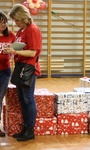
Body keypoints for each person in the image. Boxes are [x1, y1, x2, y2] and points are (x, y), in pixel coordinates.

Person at [4, 4, 42, 141]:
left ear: (24, 17)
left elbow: (33, 52)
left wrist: (15, 51)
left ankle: (30, 130)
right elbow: (20, 46)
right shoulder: (21, 31)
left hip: (29, 68)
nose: (16, 23)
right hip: (21, 67)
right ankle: (25, 128)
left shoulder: (33, 30)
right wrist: (12, 49)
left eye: (18, 20)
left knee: (28, 99)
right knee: (22, 99)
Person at [0, 11, 16, 137]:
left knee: (0, 98)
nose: (3, 25)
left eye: (5, 22)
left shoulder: (11, 35)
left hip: (5, 71)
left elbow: (17, 49)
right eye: (0, 23)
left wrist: (12, 51)